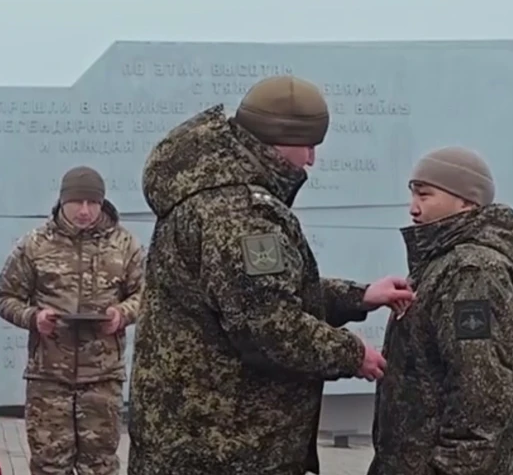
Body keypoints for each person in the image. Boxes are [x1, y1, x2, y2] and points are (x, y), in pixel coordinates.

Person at [127, 75, 414, 475]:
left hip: (197, 437)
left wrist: (360, 296)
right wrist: (352, 354)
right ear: (279, 139)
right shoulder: (241, 214)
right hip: (227, 446)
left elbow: (258, 294)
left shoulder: (214, 196)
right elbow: (269, 324)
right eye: (308, 145)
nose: (311, 160)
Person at [366, 146, 513, 475]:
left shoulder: (473, 271)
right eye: (412, 195)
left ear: (466, 202)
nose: (413, 208)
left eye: (425, 195)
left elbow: (479, 399)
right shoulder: (442, 264)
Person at [0, 165, 144, 475]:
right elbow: (4, 296)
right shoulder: (34, 244)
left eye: (93, 203)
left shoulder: (125, 245)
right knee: (49, 465)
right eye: (77, 203)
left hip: (102, 379)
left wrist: (121, 314)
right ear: (63, 202)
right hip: (49, 378)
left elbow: (146, 294)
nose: (85, 211)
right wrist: (34, 318)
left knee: (99, 466)